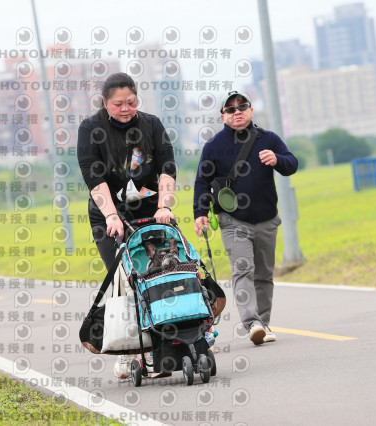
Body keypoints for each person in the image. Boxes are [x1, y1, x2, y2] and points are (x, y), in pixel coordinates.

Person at [77, 72, 177, 378]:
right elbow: (93, 178)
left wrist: (164, 206)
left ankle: (170, 345)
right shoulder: (91, 129)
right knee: (126, 280)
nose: (125, 108)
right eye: (118, 104)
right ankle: (129, 350)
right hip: (108, 215)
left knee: (166, 271)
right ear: (105, 103)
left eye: (131, 102)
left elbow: (167, 167)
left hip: (151, 212)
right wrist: (111, 216)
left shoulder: (151, 124)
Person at [193, 90, 298, 346]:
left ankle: (263, 323)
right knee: (242, 270)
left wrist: (277, 159)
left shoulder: (269, 139)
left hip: (266, 219)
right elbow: (202, 182)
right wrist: (200, 213)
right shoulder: (213, 146)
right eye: (230, 109)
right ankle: (252, 323)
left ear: (251, 110)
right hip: (233, 220)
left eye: (242, 106)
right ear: (223, 116)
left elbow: (292, 164)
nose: (237, 112)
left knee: (264, 275)